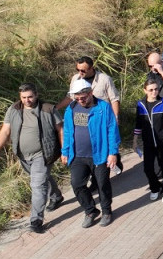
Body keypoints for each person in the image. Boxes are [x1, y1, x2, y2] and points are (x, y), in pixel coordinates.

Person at [0, 83, 63, 233]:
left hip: (42, 154)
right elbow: (5, 131)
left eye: (30, 97)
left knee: (37, 185)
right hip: (23, 156)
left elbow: (61, 130)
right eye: (23, 97)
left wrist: (65, 151)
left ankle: (36, 220)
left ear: (36, 95)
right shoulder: (14, 109)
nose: (27, 100)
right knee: (42, 179)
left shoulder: (48, 109)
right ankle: (56, 196)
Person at [61, 80, 120, 228]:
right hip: (78, 155)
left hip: (99, 154)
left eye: (83, 97)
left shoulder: (103, 107)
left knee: (102, 184)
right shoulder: (71, 108)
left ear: (90, 93)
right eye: (77, 98)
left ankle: (106, 212)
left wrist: (113, 153)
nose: (80, 100)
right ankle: (90, 210)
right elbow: (67, 131)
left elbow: (112, 130)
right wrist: (65, 151)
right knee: (77, 184)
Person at [133, 78, 163, 203]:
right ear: (145, 90)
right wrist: (135, 140)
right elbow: (138, 123)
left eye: (156, 89)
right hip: (148, 142)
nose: (154, 92)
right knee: (147, 168)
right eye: (151, 90)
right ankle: (155, 187)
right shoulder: (140, 105)